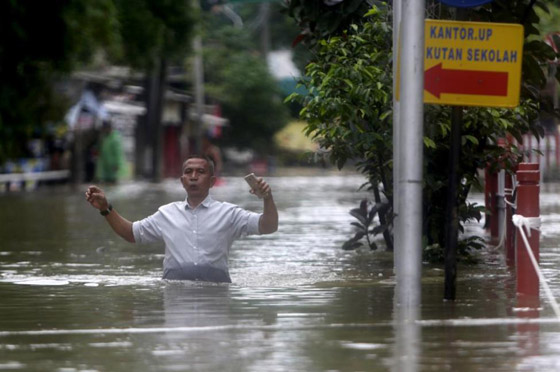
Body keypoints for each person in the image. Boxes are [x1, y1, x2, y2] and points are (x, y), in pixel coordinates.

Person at [85, 155, 278, 283]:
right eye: (188, 172)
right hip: (174, 295)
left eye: (200, 172)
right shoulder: (166, 214)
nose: (193, 176)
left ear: (212, 182)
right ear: (182, 181)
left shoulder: (229, 213)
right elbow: (131, 233)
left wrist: (267, 198)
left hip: (217, 297)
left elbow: (268, 226)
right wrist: (105, 208)